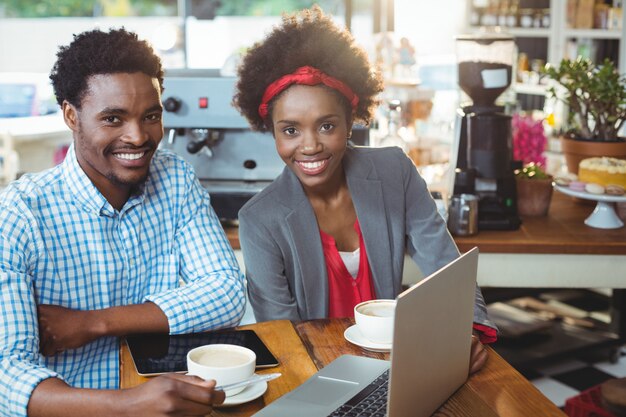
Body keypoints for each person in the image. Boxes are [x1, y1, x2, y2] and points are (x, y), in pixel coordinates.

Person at [233, 6, 497, 374]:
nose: (309, 146)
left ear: (350, 122)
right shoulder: (259, 220)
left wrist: (464, 332)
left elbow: (447, 268)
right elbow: (281, 332)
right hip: (316, 373)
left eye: (326, 126)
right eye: (290, 130)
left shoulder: (394, 171)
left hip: (399, 365)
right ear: (272, 130)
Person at [0, 28, 245, 417]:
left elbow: (227, 293)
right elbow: (7, 376)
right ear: (70, 115)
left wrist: (93, 323)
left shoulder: (174, 177)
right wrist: (127, 405)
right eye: (113, 119)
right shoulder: (20, 214)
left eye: (151, 116)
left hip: (163, 400)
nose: (138, 136)